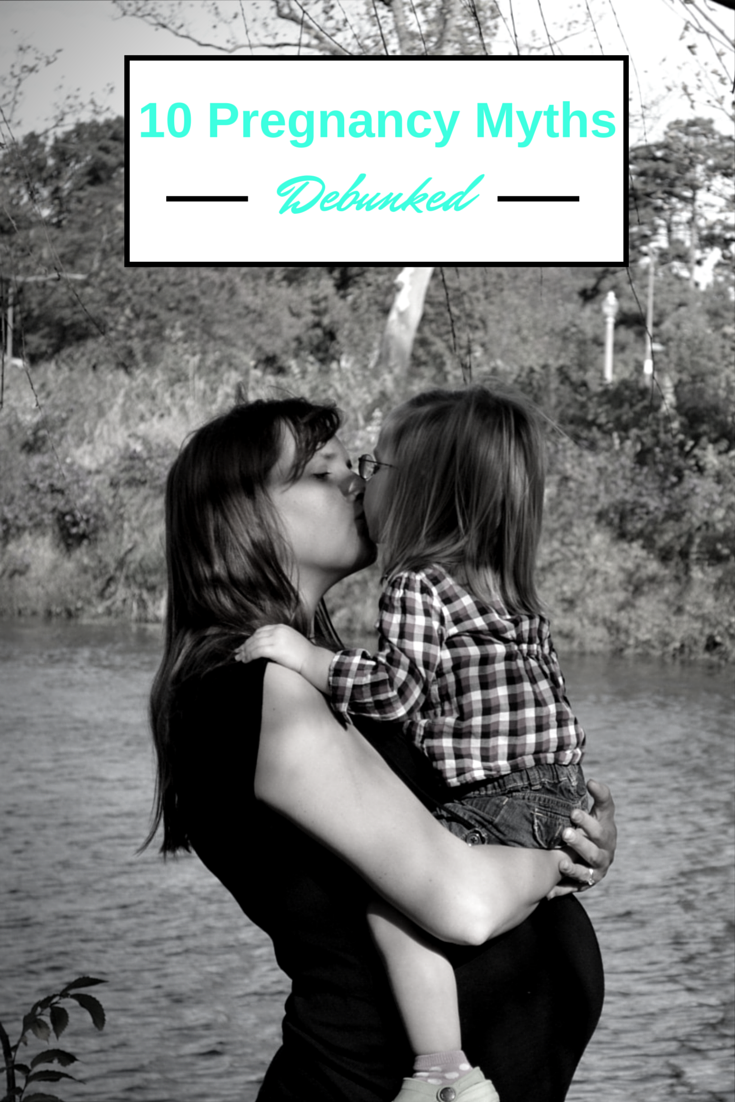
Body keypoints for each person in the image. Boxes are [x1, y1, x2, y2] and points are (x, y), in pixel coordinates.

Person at [144, 395, 617, 1102]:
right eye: (320, 472)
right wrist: (554, 862)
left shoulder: (335, 673)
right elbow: (464, 904)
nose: (355, 481)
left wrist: (573, 832)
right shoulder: (255, 689)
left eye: (353, 465)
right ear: (240, 516)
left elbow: (479, 804)